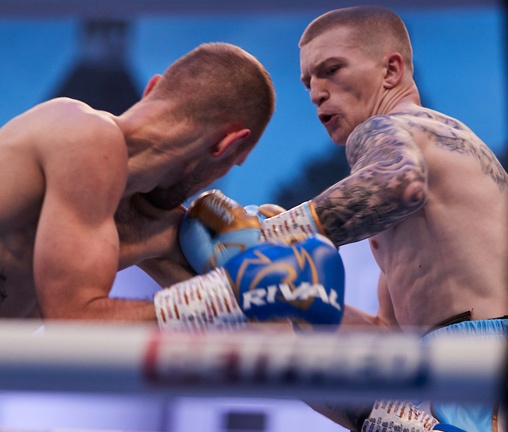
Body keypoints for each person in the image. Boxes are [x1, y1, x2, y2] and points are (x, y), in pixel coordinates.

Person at [0, 42, 276, 431]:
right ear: (228, 146)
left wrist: (283, 241)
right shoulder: (84, 134)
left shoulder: (145, 217)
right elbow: (77, 321)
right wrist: (230, 292)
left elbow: (249, 324)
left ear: (153, 88)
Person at [182, 6, 507, 432]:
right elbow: (388, 334)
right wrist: (294, 294)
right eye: (308, 82)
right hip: (454, 360)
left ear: (391, 70)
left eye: (331, 70)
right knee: (309, 371)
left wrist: (268, 236)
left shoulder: (389, 128)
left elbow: (397, 184)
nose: (317, 91)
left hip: (476, 360)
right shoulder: (449, 169)